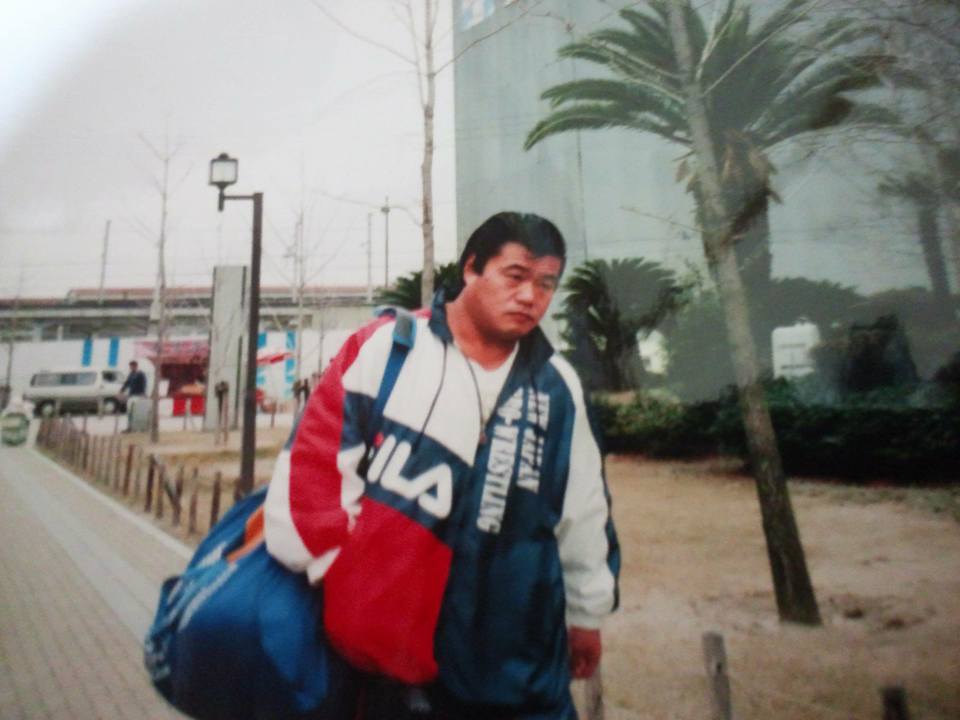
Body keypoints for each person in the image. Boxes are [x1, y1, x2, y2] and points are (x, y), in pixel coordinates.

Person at [265, 212, 620, 719]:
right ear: (472, 268)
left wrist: (586, 613)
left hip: (517, 669)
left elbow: (582, 510)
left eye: (546, 284)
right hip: (387, 670)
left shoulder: (557, 385)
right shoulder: (388, 349)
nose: (530, 297)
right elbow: (311, 469)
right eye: (515, 276)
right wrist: (344, 573)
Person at [120, 360, 147, 431]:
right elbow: (127, 383)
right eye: (130, 367)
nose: (131, 368)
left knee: (137, 412)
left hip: (138, 395)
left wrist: (143, 393)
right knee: (129, 412)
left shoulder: (141, 374)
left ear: (136, 366)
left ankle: (139, 427)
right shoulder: (131, 374)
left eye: (132, 366)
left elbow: (144, 384)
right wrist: (121, 391)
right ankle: (130, 427)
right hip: (131, 395)